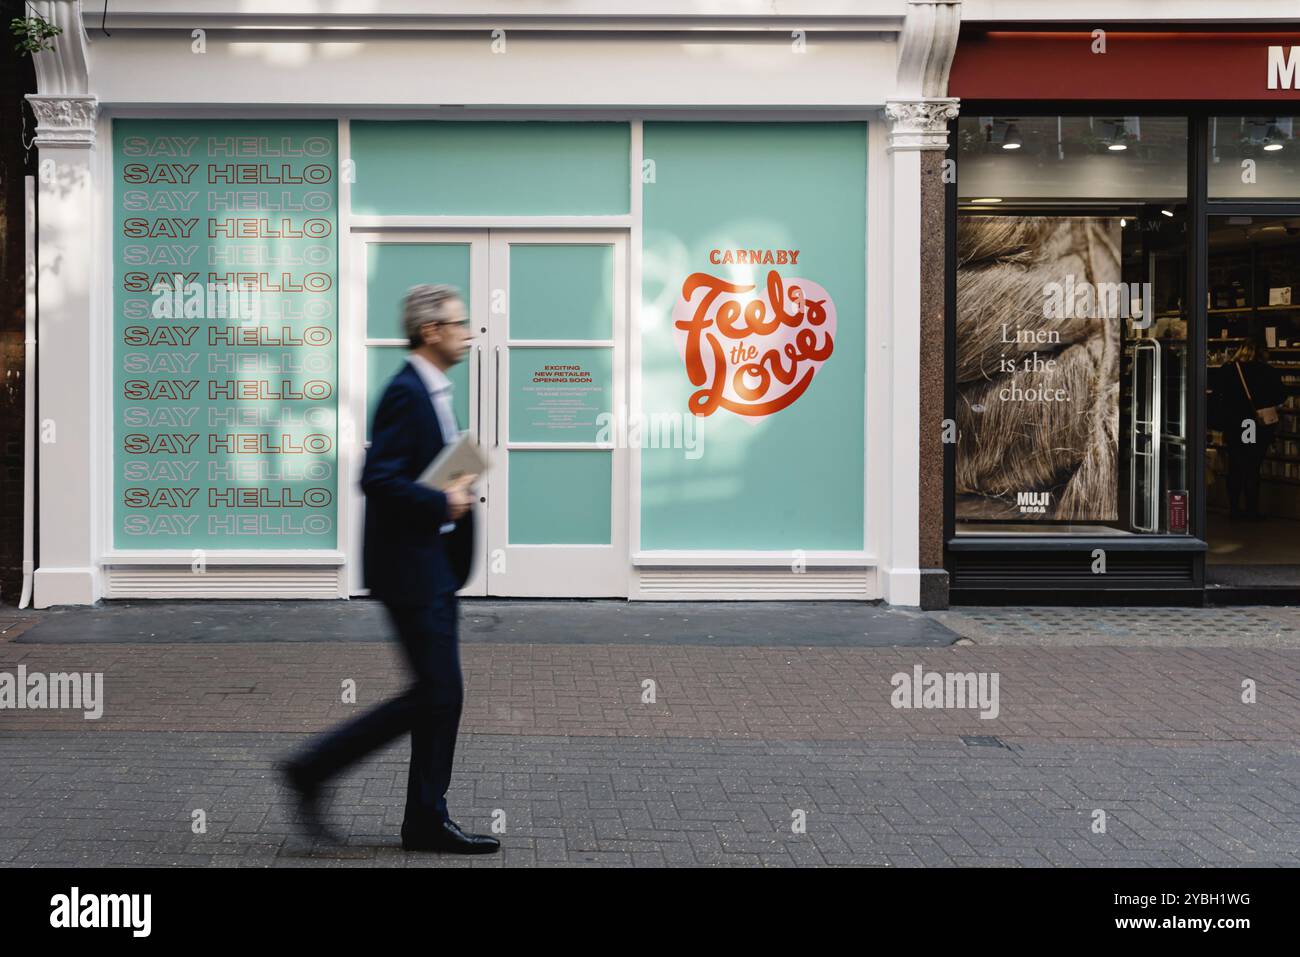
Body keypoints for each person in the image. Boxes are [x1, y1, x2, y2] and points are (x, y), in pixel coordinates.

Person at [280, 284, 498, 854]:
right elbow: (377, 478)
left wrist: (458, 482)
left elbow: (420, 469)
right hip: (410, 569)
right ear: (430, 331)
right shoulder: (406, 391)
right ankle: (313, 770)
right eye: (458, 323)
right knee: (435, 692)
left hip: (435, 567)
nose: (467, 332)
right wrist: (441, 502)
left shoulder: (434, 390)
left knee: (440, 695)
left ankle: (424, 819)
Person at [1211, 337, 1286, 521]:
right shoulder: (1267, 371)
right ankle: (1251, 509)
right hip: (1252, 426)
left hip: (1234, 424)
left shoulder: (1228, 370)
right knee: (1252, 467)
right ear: (1261, 352)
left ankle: (1234, 508)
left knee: (1235, 466)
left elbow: (1216, 395)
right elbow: (1280, 396)